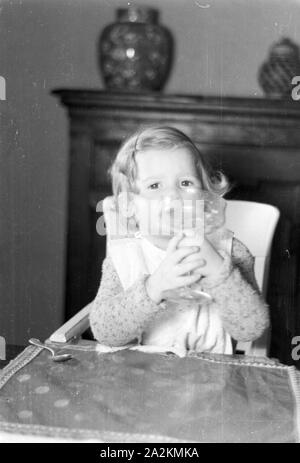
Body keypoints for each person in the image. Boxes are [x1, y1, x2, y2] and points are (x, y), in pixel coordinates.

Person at [89, 126, 269, 356]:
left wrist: (218, 271)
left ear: (205, 196)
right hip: (140, 378)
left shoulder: (230, 252)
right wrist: (154, 287)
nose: (173, 196)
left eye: (185, 183)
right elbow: (105, 332)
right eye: (154, 186)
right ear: (129, 206)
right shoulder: (125, 258)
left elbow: (252, 329)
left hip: (212, 379)